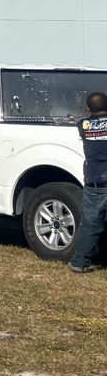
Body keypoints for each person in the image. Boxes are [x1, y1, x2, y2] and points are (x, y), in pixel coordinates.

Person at [73, 92, 107, 274]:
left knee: (90, 224)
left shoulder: (83, 125)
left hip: (94, 182)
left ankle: (79, 262)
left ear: (88, 109)